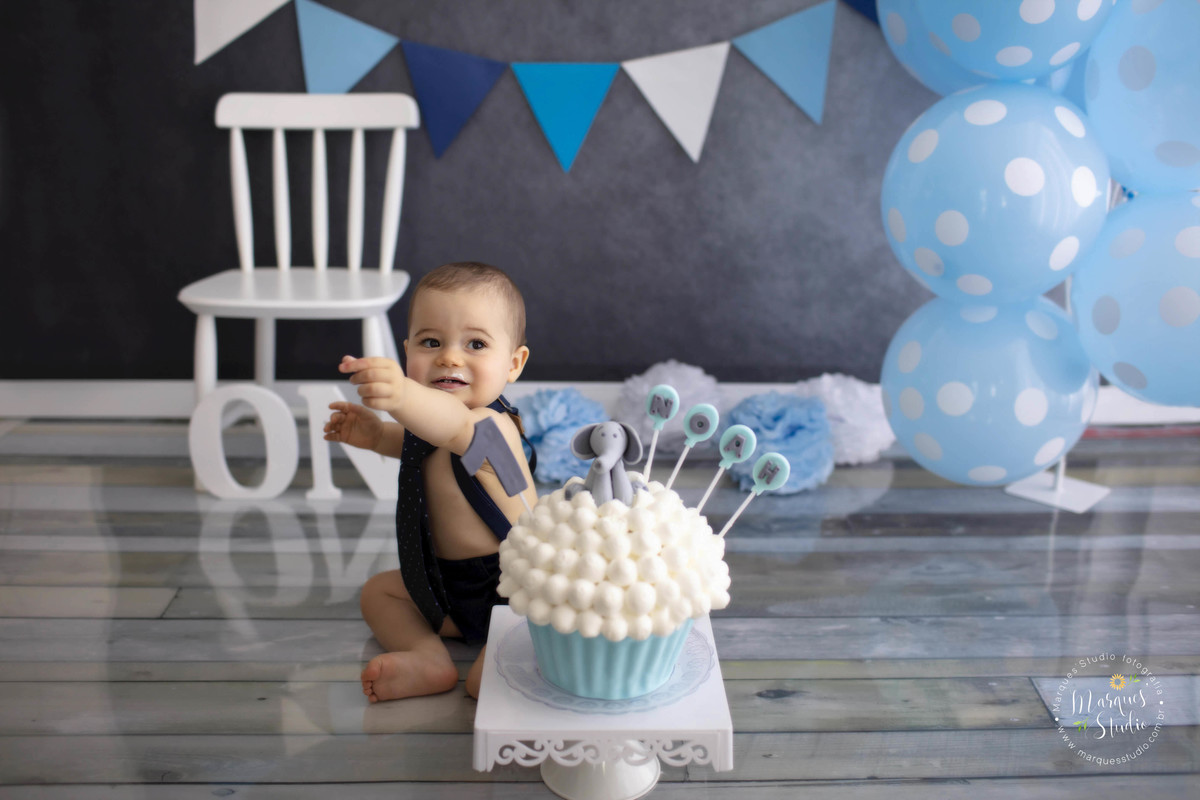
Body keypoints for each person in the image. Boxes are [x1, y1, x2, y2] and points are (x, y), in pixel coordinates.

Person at [324, 262, 535, 702]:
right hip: (443, 581)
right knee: (379, 593)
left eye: (476, 344)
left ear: (513, 364)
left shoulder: (493, 429)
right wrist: (375, 435)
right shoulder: (428, 426)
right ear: (408, 351)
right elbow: (418, 440)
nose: (449, 358)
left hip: (514, 583)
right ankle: (426, 657)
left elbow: (453, 427)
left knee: (513, 647)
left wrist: (402, 394)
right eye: (431, 342)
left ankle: (498, 661)